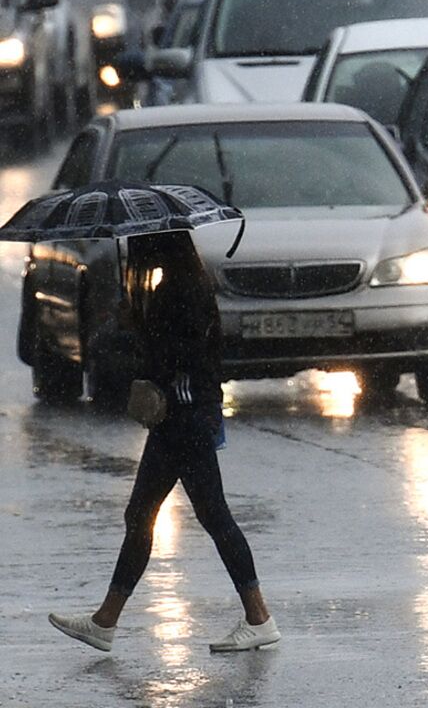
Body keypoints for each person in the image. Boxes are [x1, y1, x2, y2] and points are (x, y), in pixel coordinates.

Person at [49, 231, 281, 653]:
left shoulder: (179, 292)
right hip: (186, 416)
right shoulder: (187, 285)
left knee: (199, 515)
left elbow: (176, 358)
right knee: (157, 514)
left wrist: (136, 327)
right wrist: (139, 321)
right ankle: (107, 620)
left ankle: (258, 617)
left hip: (184, 418)